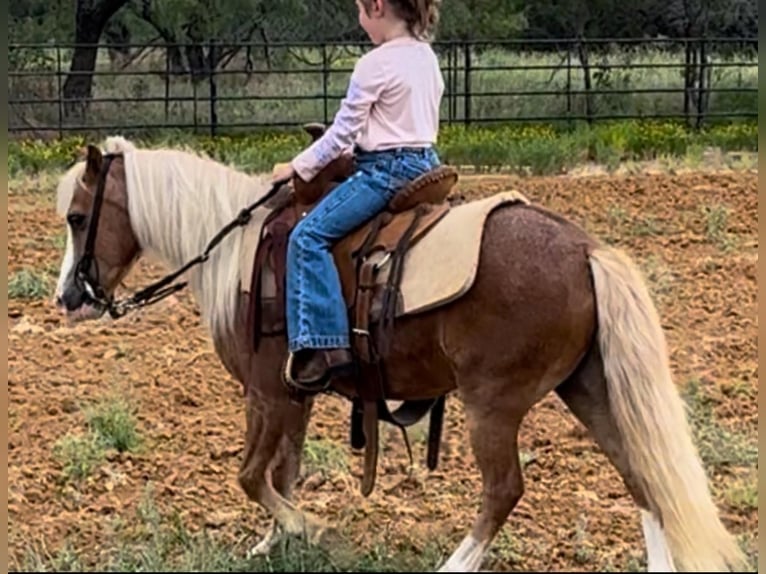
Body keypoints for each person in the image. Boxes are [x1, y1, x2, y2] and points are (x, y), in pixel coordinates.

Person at [272, 0, 445, 389]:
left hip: (385, 172)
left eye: (360, 10)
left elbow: (340, 135)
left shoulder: (375, 64)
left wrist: (296, 166)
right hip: (427, 165)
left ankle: (327, 347)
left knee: (307, 237)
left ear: (377, 6)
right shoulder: (426, 57)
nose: (359, 19)